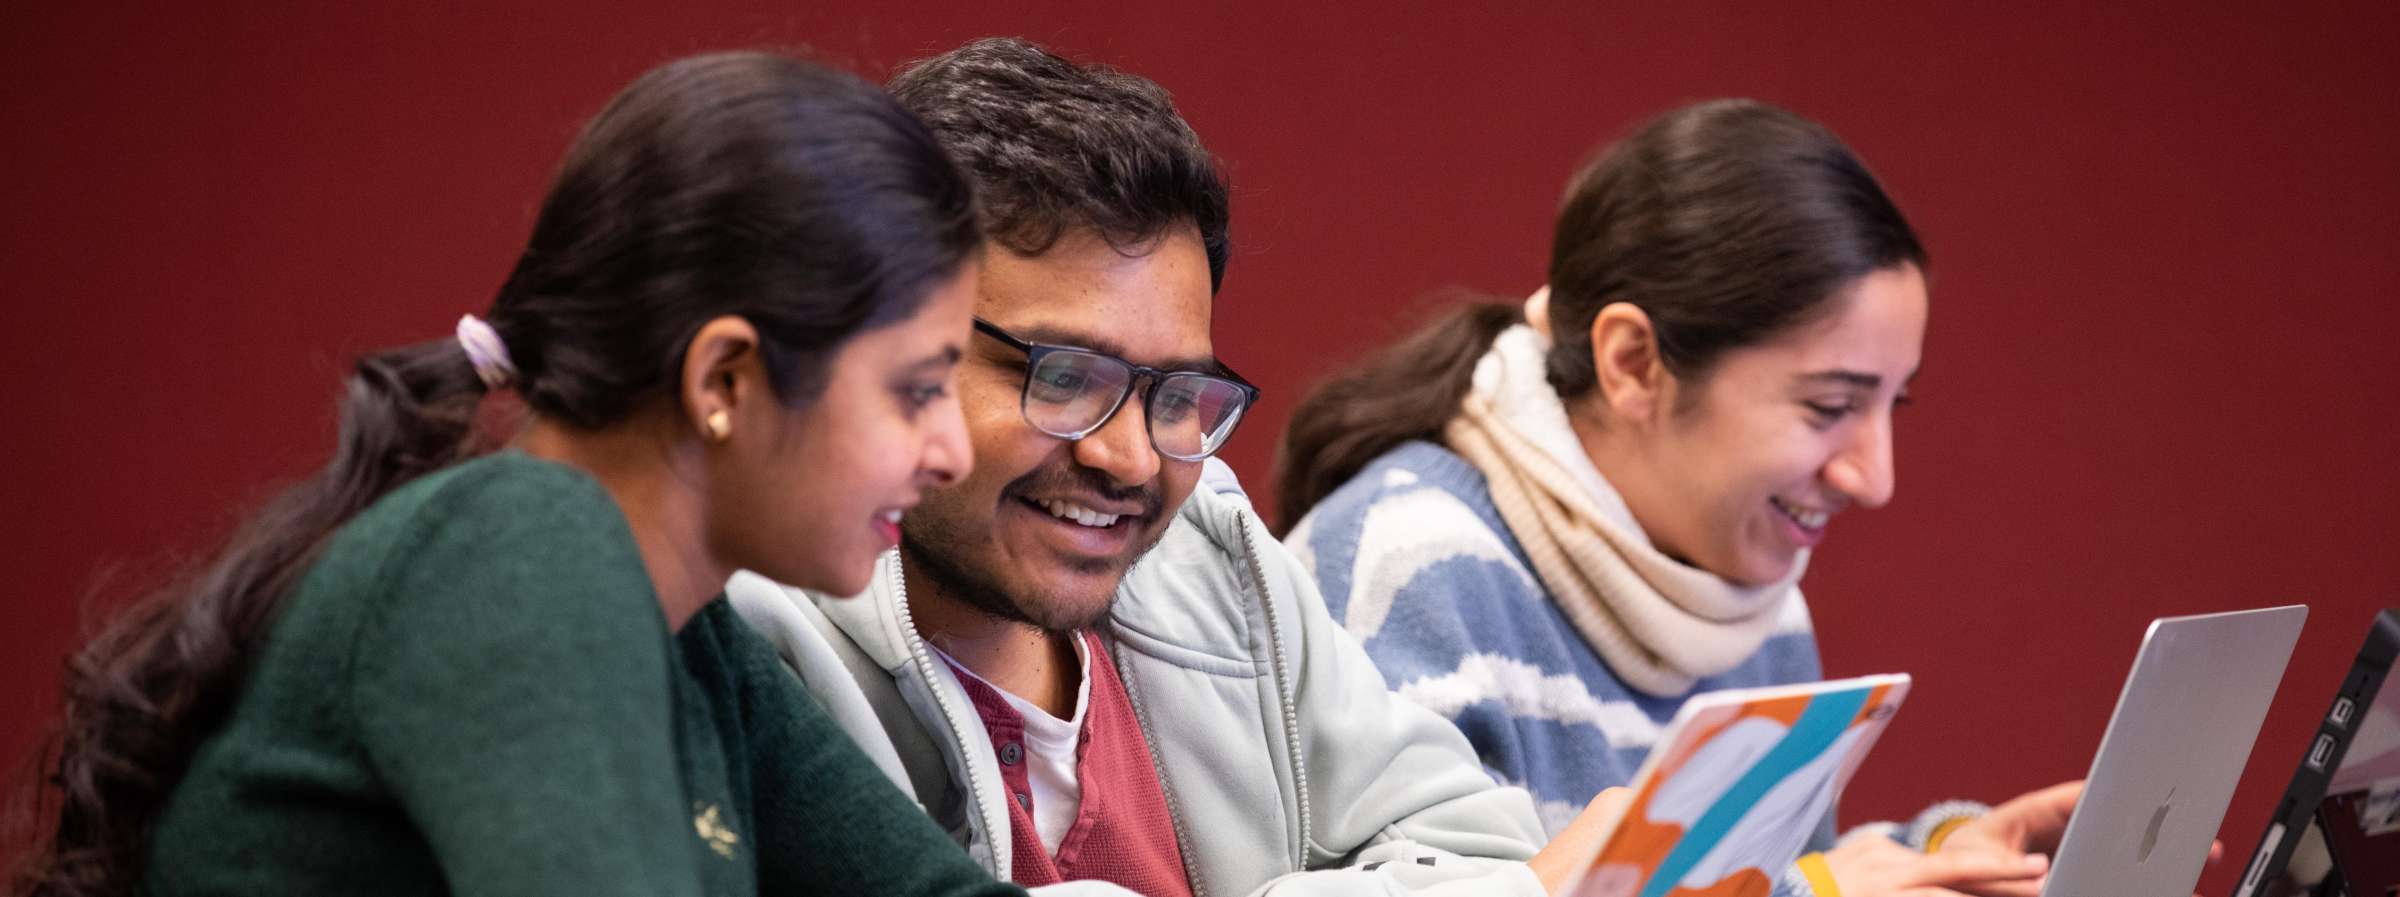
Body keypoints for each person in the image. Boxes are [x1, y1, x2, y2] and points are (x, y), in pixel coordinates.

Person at [8, 52, 1032, 897]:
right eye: (915, 389)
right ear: (726, 376)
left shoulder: (689, 631)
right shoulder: (517, 551)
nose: (949, 451)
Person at [726, 37, 1635, 897]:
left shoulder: (1210, 550)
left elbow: (1482, 846)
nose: (1127, 457)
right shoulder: (752, 630)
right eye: (1065, 377)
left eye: (1174, 396)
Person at [1274, 99, 2098, 897]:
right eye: (1829, 406)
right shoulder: (1405, 563)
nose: (1874, 478)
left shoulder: (1754, 593)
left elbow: (1765, 877)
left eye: (1894, 403)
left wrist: (1947, 859)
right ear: (1632, 362)